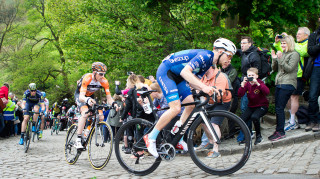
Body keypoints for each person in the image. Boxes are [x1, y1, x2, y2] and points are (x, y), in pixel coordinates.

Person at [143, 38, 236, 158]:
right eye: (229, 56)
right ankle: (150, 137)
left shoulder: (209, 63)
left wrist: (205, 90)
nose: (230, 59)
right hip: (166, 72)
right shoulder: (206, 55)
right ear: (220, 51)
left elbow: (192, 81)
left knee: (191, 104)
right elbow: (186, 72)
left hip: (179, 77)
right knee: (175, 108)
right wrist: (204, 87)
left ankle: (178, 136)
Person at [273, 27, 310, 131]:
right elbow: (283, 51)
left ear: (306, 35)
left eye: (299, 34)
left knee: (294, 97)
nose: (297, 35)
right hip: (286, 78)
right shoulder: (294, 45)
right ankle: (291, 118)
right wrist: (277, 44)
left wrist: (289, 40)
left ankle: (293, 121)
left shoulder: (306, 44)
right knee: (288, 98)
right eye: (296, 34)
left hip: (298, 75)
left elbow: (301, 52)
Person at [74, 62, 118, 149]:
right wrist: (87, 99)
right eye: (101, 74)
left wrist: (114, 103)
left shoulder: (104, 81)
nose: (102, 76)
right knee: (85, 113)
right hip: (80, 95)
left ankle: (87, 133)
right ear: (94, 73)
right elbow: (82, 97)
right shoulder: (87, 78)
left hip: (91, 96)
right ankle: (78, 139)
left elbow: (109, 98)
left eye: (104, 74)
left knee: (100, 116)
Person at [268, 35, 300, 141]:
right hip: (279, 83)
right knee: (278, 108)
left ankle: (281, 132)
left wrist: (280, 58)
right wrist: (274, 59)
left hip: (288, 84)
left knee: (280, 108)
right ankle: (278, 130)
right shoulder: (283, 54)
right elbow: (274, 68)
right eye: (281, 43)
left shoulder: (294, 54)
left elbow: (289, 69)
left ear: (289, 43)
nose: (282, 45)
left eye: (284, 43)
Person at [197, 65, 233, 157]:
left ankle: (216, 149)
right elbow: (198, 88)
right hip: (210, 102)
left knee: (214, 124)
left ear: (210, 67)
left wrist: (205, 91)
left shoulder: (220, 76)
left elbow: (218, 95)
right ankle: (210, 142)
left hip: (222, 102)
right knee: (203, 122)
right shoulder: (204, 76)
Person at [238, 68, 269, 145]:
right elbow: (240, 94)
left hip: (262, 105)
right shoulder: (247, 84)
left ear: (257, 76)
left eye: (252, 75)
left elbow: (267, 92)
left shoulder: (260, 83)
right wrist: (242, 86)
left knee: (254, 117)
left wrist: (257, 83)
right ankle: (247, 136)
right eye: (249, 75)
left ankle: (259, 136)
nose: (251, 77)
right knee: (242, 119)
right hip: (251, 106)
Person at [306, 15, 320, 132]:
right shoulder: (314, 35)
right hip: (316, 67)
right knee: (312, 96)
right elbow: (310, 50)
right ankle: (312, 120)